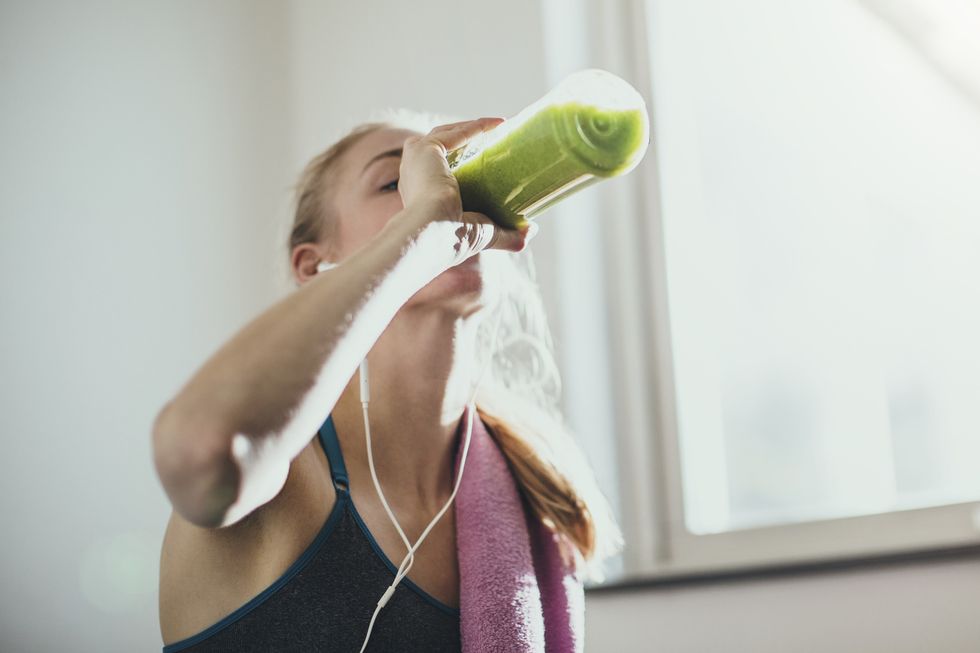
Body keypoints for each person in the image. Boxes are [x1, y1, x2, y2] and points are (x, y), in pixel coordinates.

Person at [152, 109, 622, 651]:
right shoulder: (286, 476)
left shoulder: (533, 498)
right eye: (395, 181)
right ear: (312, 266)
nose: (447, 195)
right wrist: (421, 235)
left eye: (454, 173)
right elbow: (198, 448)